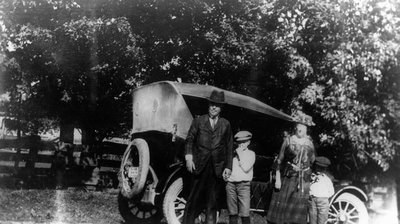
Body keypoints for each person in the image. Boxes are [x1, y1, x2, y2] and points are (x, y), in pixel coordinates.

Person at [183, 89, 234, 224]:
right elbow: (189, 140)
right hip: (199, 166)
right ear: (208, 105)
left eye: (217, 105)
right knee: (193, 200)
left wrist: (228, 167)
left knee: (212, 203)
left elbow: (229, 147)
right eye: (212, 104)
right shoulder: (198, 121)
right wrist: (189, 158)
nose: (214, 107)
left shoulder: (226, 124)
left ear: (221, 108)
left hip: (217, 169)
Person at [266, 112, 316, 224]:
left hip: (302, 182)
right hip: (287, 179)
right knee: (282, 214)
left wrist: (308, 175)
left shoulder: (310, 144)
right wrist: (278, 179)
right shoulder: (288, 141)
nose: (300, 129)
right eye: (299, 125)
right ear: (295, 126)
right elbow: (279, 161)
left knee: (295, 216)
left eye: (303, 127)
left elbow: (313, 162)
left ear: (307, 129)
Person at [225, 130, 256, 224]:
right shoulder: (232, 153)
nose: (241, 145)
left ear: (248, 142)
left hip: (244, 185)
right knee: (232, 211)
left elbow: (246, 168)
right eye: (239, 142)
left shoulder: (251, 154)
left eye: (244, 142)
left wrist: (240, 154)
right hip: (230, 184)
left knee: (245, 212)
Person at [308, 156, 335, 224]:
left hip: (323, 200)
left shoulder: (327, 178)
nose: (319, 170)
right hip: (312, 199)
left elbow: (331, 191)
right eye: (318, 167)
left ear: (325, 169)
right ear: (315, 167)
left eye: (321, 168)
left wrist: (324, 197)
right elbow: (308, 186)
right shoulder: (312, 176)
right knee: (312, 217)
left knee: (322, 218)